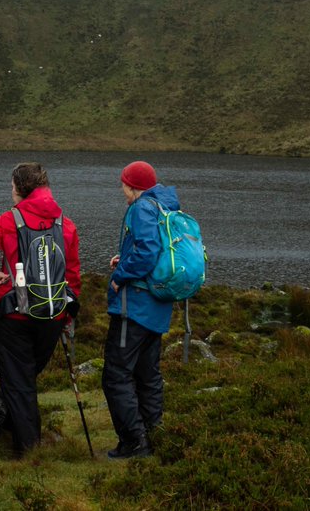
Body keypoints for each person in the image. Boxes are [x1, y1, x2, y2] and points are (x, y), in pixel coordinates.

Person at [0, 162, 80, 458]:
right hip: (52, 314)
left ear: (19, 188)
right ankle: (4, 424)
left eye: (12, 185)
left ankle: (28, 451)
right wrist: (67, 313)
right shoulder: (66, 224)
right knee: (24, 376)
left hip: (13, 314)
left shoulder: (8, 221)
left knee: (19, 381)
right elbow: (73, 276)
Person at [102, 160, 176, 459]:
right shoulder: (164, 206)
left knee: (116, 375)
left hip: (134, 309)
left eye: (123, 184)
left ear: (133, 186)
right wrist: (126, 258)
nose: (122, 190)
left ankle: (134, 442)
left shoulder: (142, 208)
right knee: (148, 375)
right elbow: (151, 250)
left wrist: (120, 276)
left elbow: (147, 251)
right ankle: (153, 435)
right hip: (157, 308)